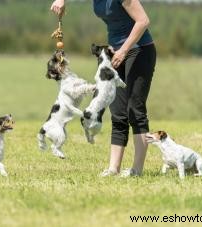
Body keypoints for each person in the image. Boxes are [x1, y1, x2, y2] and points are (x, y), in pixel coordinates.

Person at [50, 0, 156, 177]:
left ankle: (137, 170)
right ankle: (114, 169)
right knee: (118, 112)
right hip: (115, 53)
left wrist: (123, 50)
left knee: (135, 110)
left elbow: (143, 21)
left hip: (138, 50)